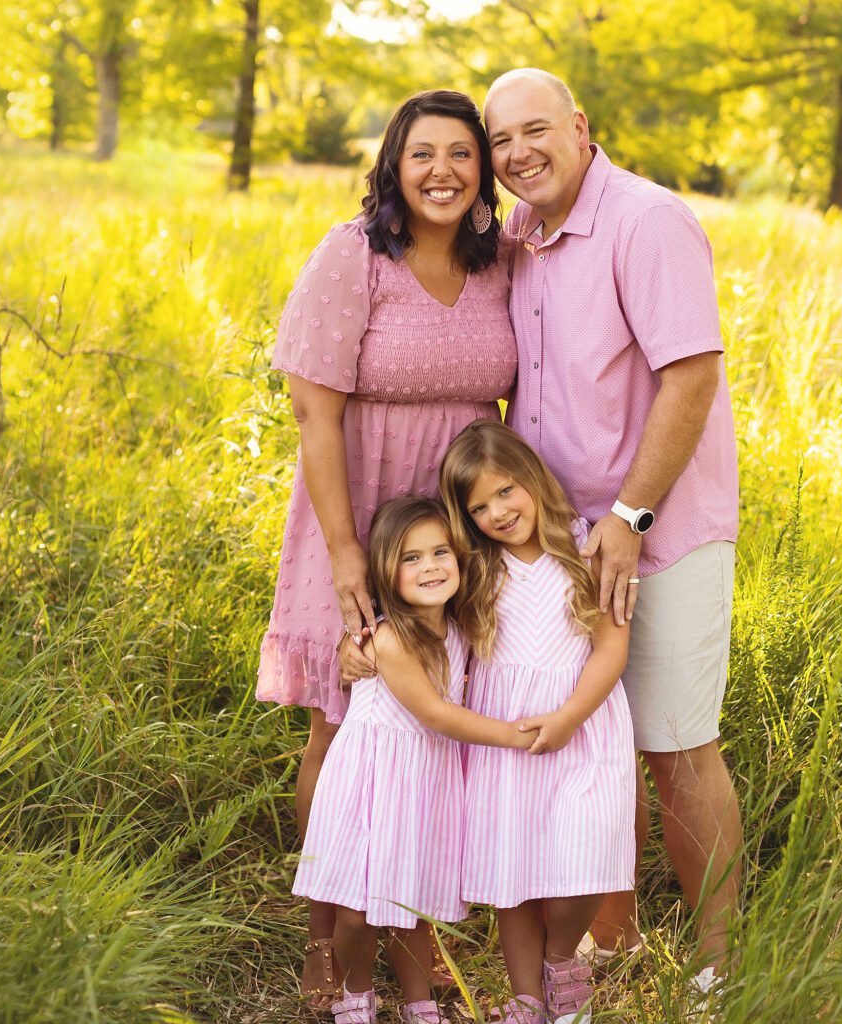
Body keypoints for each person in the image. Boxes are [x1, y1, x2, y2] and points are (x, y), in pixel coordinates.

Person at [483, 69, 743, 1002]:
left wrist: (630, 518)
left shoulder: (647, 220)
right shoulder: (519, 236)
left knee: (676, 741)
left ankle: (715, 963)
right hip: (559, 542)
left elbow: (692, 377)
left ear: (581, 127)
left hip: (657, 531)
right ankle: (615, 931)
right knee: (598, 742)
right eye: (502, 140)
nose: (519, 153)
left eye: (536, 130)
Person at [255, 89, 517, 1001]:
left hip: (454, 526)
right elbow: (315, 415)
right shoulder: (354, 255)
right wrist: (340, 551)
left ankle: (406, 928)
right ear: (393, 169)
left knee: (434, 723)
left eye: (461, 154)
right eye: (421, 155)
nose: (442, 171)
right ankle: (327, 944)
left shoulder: (501, 263)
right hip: (359, 507)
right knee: (344, 723)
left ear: (483, 171)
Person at [294, 496, 538, 1024]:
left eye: (440, 552)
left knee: (411, 906)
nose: (429, 566)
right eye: (411, 558)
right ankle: (357, 993)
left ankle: (419, 1002)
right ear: (385, 572)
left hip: (423, 785)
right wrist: (514, 735)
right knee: (356, 915)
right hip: (371, 784)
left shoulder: (458, 627)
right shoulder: (388, 638)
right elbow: (436, 714)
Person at [439, 420, 637, 1024]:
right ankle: (527, 1000)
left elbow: (610, 647)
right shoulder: (474, 569)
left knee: (590, 848)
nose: (497, 511)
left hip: (584, 723)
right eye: (479, 505)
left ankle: (561, 960)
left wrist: (572, 716)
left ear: (532, 479)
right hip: (507, 733)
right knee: (513, 867)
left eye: (506, 491)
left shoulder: (584, 549)